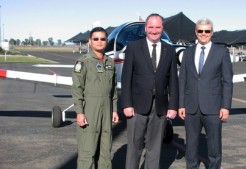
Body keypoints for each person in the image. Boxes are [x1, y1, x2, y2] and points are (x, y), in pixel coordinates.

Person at [121, 13, 179, 169]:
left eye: (158, 27)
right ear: (146, 28)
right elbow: (126, 79)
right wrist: (126, 104)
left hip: (160, 107)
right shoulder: (133, 47)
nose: (154, 30)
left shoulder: (169, 49)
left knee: (155, 149)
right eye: (151, 27)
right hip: (137, 106)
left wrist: (173, 106)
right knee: (135, 147)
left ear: (162, 28)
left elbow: (173, 80)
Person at [178, 18, 233, 169]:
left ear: (212, 33)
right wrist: (181, 104)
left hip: (214, 108)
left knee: (214, 148)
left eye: (207, 31)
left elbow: (227, 82)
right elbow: (182, 80)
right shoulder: (188, 53)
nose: (203, 34)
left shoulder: (222, 52)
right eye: (200, 31)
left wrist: (226, 107)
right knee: (191, 147)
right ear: (196, 32)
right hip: (191, 108)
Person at [71, 27, 119, 169]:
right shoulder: (83, 62)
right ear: (90, 41)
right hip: (90, 109)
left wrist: (114, 109)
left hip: (107, 109)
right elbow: (76, 88)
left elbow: (113, 89)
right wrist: (79, 112)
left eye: (102, 39)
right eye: (96, 39)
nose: (99, 42)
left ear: (107, 41)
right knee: (88, 149)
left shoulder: (110, 62)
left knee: (105, 150)